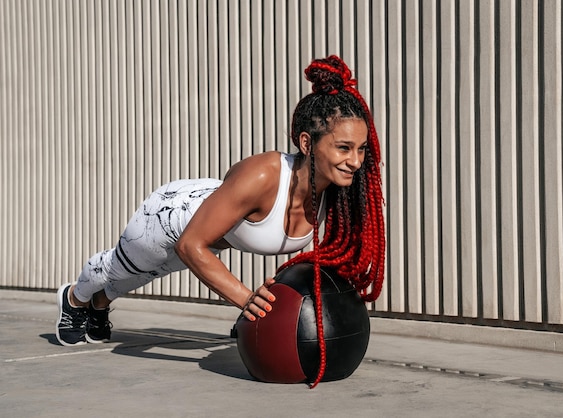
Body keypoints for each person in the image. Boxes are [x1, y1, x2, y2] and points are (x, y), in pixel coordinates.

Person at [55, 55, 386, 387]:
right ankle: (75, 298)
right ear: (306, 143)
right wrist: (245, 300)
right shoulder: (262, 176)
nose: (355, 161)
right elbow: (189, 244)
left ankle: (100, 303)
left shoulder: (340, 193)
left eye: (360, 149)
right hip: (172, 218)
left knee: (142, 277)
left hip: (211, 237)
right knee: (120, 268)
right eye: (343, 148)